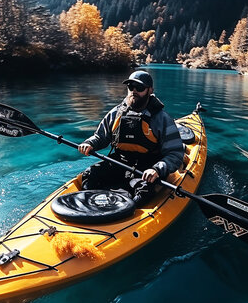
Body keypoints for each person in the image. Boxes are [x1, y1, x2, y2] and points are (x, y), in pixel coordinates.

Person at [78, 70, 184, 206]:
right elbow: (100, 136)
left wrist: (157, 169)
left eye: (139, 88)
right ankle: (86, 205)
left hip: (148, 167)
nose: (133, 91)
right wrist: (89, 143)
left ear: (150, 90)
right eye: (130, 87)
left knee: (144, 191)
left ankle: (128, 212)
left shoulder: (162, 118)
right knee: (89, 174)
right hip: (120, 161)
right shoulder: (116, 113)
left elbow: (175, 154)